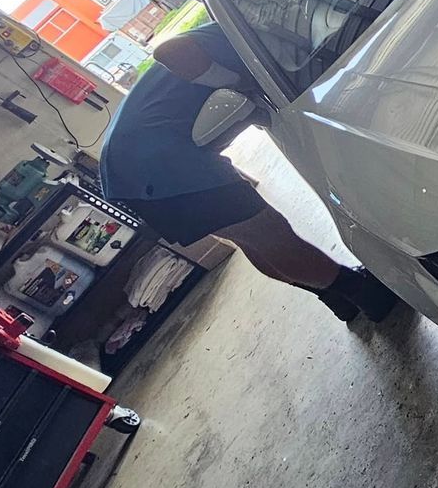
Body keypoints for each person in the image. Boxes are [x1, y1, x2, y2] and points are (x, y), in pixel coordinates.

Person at [98, 23, 399, 322]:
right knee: (270, 233)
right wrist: (237, 83)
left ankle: (335, 296)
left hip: (131, 171)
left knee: (251, 239)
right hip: (160, 164)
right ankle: (362, 290)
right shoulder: (233, 34)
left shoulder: (238, 37)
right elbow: (168, 50)